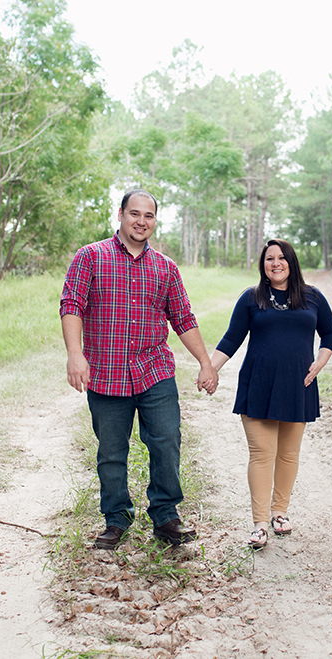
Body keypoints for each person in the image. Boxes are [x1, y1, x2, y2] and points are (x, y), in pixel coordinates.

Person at [60, 189, 218, 550]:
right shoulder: (91, 257)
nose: (141, 221)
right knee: (112, 452)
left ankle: (165, 516)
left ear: (154, 221)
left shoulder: (165, 267)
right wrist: (75, 354)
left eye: (148, 216)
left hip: (154, 371)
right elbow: (71, 304)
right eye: (134, 214)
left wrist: (205, 363)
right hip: (106, 371)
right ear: (120, 214)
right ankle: (116, 520)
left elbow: (183, 318)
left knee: (166, 442)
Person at [210, 239, 332, 549]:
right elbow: (231, 339)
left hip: (299, 384)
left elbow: (330, 332)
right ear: (263, 265)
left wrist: (320, 361)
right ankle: (260, 523)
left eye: (282, 258)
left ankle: (280, 512)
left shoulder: (312, 298)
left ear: (291, 262)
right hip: (259, 384)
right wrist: (209, 368)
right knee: (261, 454)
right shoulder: (252, 299)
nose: (276, 263)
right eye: (270, 258)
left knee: (289, 454)